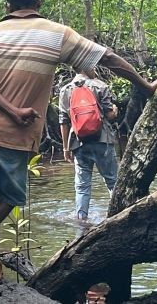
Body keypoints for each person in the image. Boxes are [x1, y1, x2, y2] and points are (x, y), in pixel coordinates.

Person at [0, 0, 157, 282]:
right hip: (15, 131)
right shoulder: (57, 34)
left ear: (7, 5)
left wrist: (11, 109)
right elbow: (107, 57)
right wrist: (145, 85)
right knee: (8, 198)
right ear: (39, 2)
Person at [59, 71, 119, 221]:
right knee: (112, 181)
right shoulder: (100, 86)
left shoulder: (65, 90)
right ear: (89, 67)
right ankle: (117, 216)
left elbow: (63, 121)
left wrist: (66, 148)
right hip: (102, 140)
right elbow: (109, 115)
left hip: (79, 143)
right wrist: (115, 111)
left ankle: (81, 221)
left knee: (82, 187)